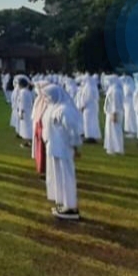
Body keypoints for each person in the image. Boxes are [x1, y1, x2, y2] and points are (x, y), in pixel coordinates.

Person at [43, 84, 84, 221]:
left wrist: (75, 146)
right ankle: (64, 204)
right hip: (54, 148)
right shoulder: (52, 108)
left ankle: (71, 207)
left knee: (67, 178)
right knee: (59, 178)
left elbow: (72, 131)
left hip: (64, 149)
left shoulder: (65, 110)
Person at [76, 75, 101, 143]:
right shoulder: (92, 87)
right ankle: (91, 136)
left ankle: (90, 137)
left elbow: (86, 98)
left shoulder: (88, 88)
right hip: (92, 107)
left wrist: (82, 106)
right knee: (92, 122)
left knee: (88, 122)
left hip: (88, 107)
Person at [103, 77, 125, 155]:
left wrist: (114, 114)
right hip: (111, 113)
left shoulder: (115, 91)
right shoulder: (114, 89)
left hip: (114, 113)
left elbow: (115, 103)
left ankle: (117, 148)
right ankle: (112, 147)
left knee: (115, 131)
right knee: (111, 131)